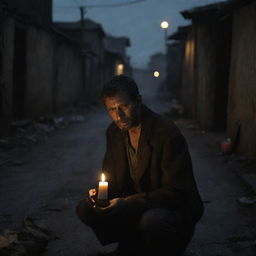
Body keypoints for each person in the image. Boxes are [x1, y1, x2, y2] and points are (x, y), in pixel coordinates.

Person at [76, 75, 204, 256]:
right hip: (136, 209)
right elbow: (111, 180)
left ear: (138, 101)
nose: (118, 116)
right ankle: (131, 245)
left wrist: (126, 203)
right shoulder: (113, 132)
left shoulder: (166, 132)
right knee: (85, 208)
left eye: (124, 106)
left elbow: (176, 193)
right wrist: (100, 196)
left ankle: (167, 248)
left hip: (171, 211)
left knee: (152, 221)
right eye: (111, 109)